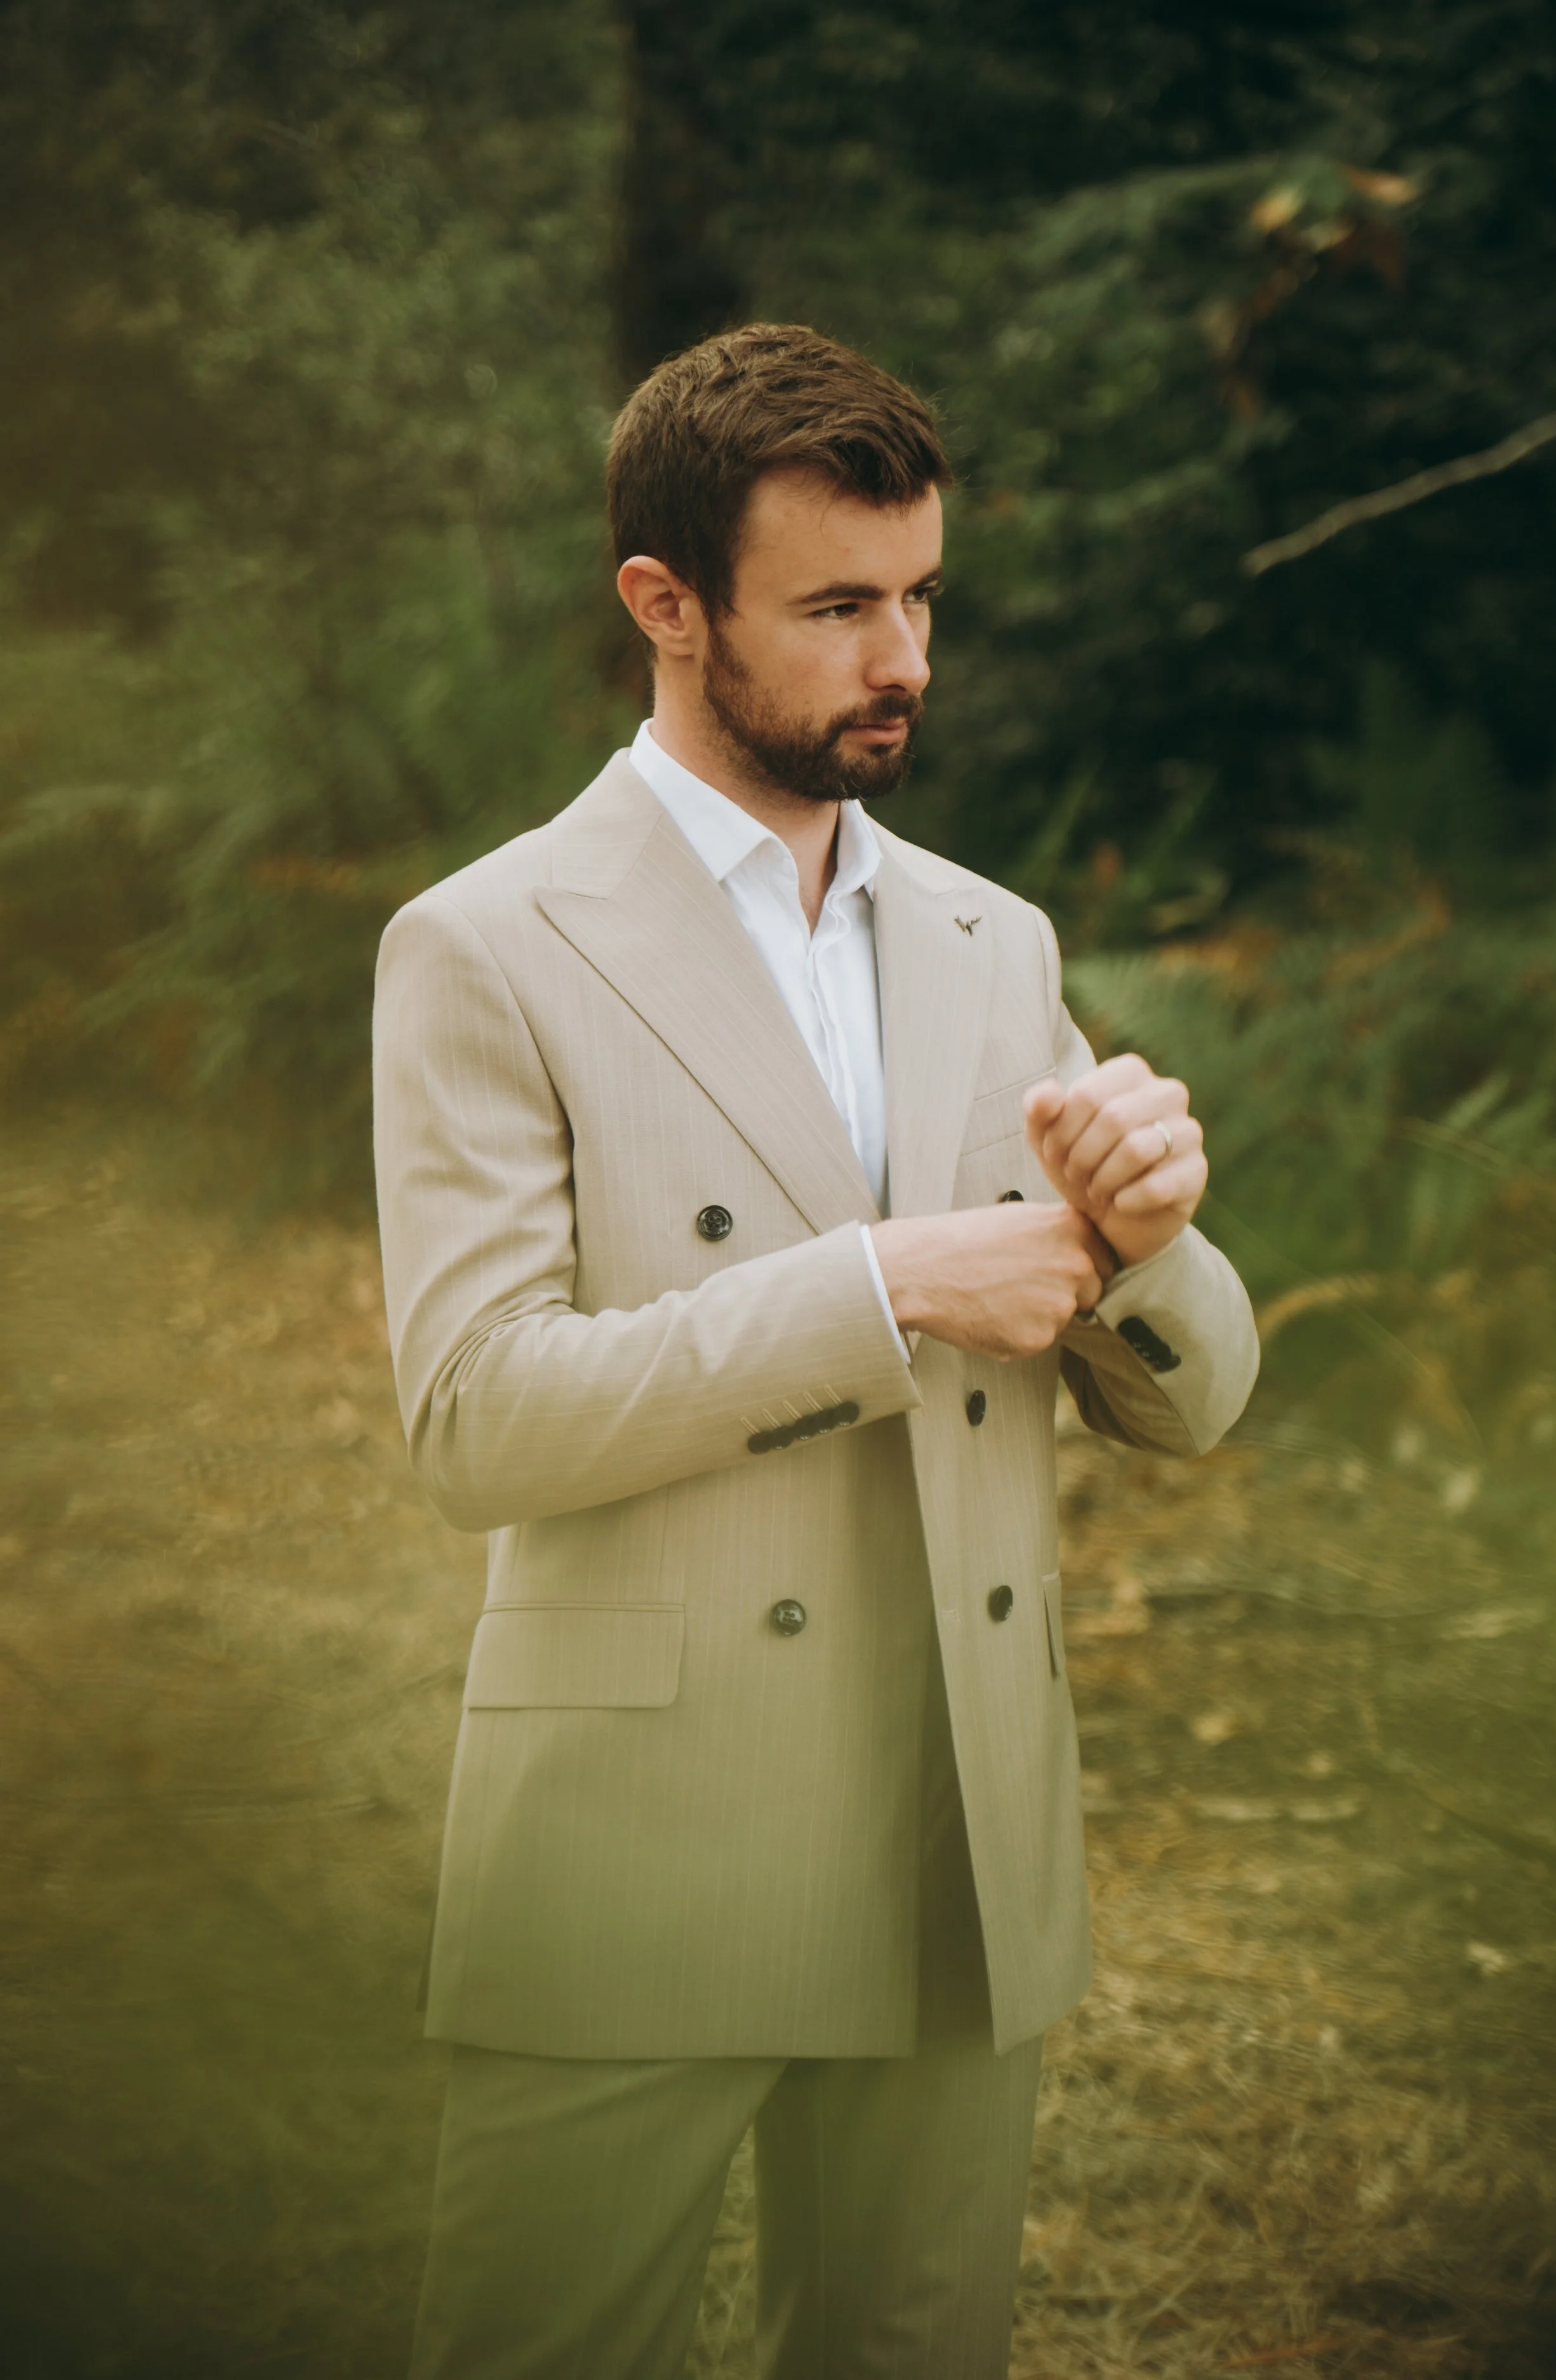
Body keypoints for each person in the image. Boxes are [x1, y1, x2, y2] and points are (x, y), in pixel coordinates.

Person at [373, 322, 1259, 2380]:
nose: (905, 659)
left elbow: (1193, 1400)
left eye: (921, 596)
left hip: (959, 1820)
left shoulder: (988, 936)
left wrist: (1149, 1237)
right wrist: (882, 1291)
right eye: (839, 607)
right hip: (639, 1834)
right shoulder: (486, 944)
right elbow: (474, 1417)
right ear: (663, 607)